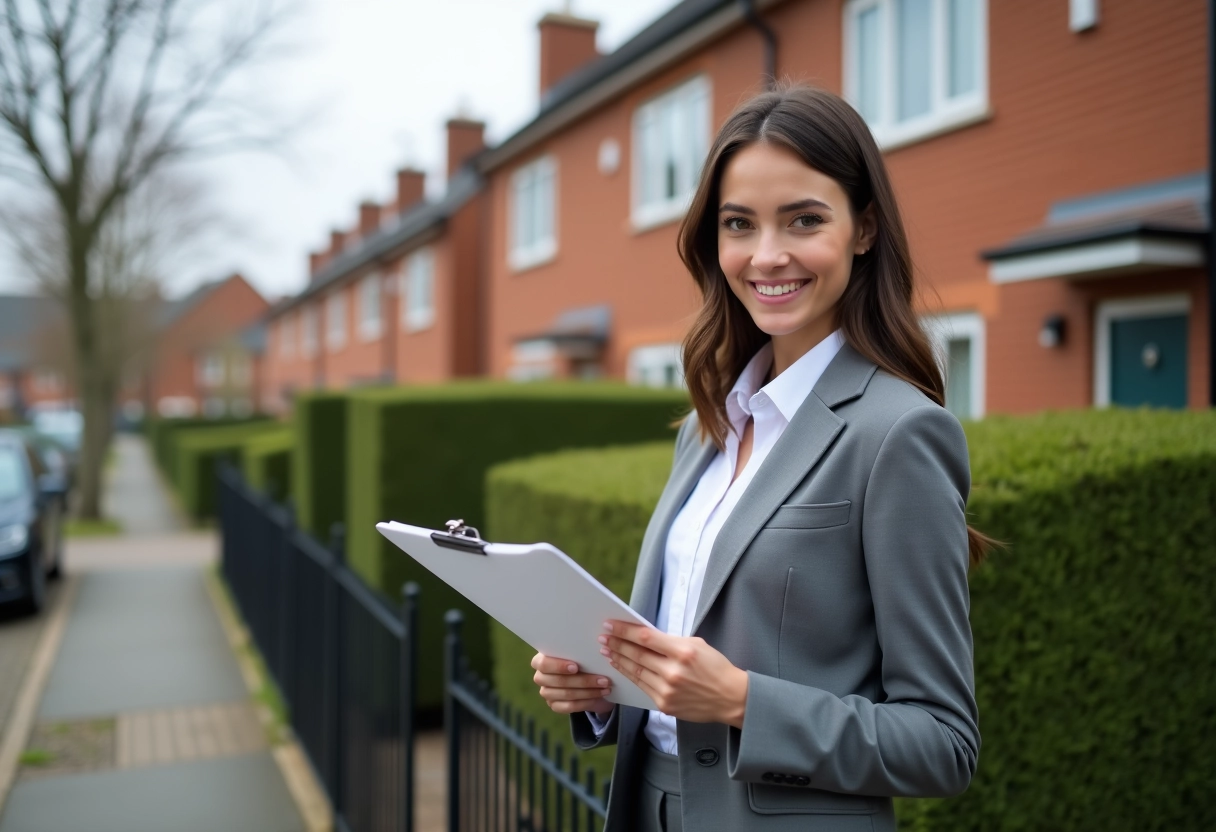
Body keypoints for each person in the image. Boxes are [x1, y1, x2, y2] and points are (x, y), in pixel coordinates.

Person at [529, 84, 985, 832]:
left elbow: (943, 743)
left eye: (804, 220)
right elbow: (680, 672)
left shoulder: (899, 433)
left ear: (863, 229)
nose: (767, 255)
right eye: (739, 224)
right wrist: (608, 687)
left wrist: (743, 700)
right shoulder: (706, 425)